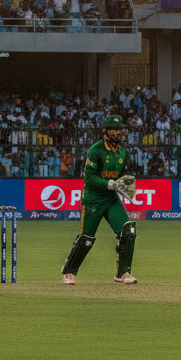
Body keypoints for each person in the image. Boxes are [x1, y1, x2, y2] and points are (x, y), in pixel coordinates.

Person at [60, 114, 138, 285]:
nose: (117, 133)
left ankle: (122, 273)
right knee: (86, 239)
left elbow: (121, 177)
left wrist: (123, 184)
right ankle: (69, 271)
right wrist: (110, 183)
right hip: (93, 199)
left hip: (111, 199)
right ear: (104, 131)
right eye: (113, 130)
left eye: (119, 130)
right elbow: (89, 178)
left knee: (128, 230)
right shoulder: (95, 150)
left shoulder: (123, 153)